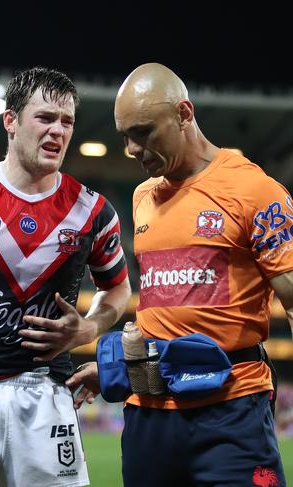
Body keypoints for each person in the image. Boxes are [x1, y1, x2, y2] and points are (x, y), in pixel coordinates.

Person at [70, 62, 292, 487]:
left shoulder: (255, 191)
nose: (132, 148)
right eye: (125, 137)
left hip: (231, 410)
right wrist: (116, 372)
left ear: (184, 114)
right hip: (149, 413)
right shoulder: (140, 197)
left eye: (143, 132)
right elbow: (166, 305)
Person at [0, 67, 132, 487]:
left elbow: (118, 287)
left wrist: (88, 327)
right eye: (45, 117)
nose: (58, 131)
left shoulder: (93, 211)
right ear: (11, 121)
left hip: (46, 394)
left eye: (67, 121)